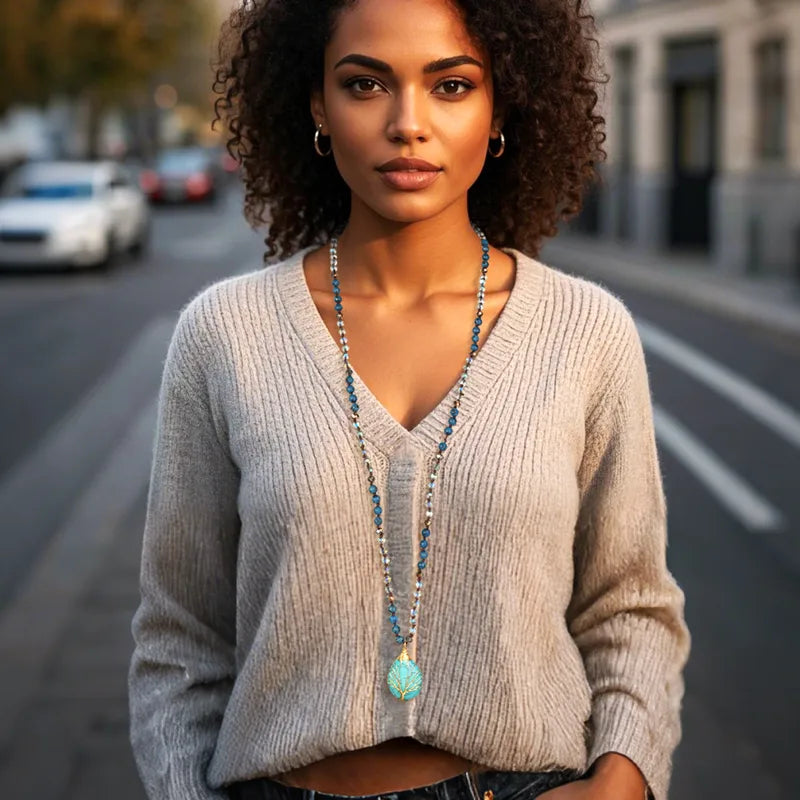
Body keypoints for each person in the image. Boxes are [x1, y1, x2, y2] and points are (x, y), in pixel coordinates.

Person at [128, 1, 691, 799]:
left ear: (501, 106)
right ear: (318, 105)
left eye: (452, 85)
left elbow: (629, 607)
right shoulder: (224, 336)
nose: (408, 123)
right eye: (365, 85)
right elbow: (180, 640)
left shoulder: (586, 332)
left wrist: (623, 778)